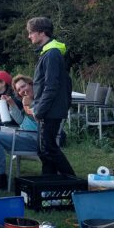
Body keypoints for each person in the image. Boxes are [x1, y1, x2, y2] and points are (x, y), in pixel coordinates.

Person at [27, 16, 76, 176]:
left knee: (49, 148)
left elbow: (51, 86)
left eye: (31, 32)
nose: (29, 36)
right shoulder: (47, 53)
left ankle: (73, 181)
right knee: (44, 150)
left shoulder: (52, 54)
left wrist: (39, 110)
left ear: (42, 33)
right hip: (49, 109)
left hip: (51, 110)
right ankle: (49, 183)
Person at [0, 74, 40, 189]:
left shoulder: (40, 100)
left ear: (31, 84)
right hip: (24, 135)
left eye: (23, 86)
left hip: (36, 139)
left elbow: (41, 121)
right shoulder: (26, 101)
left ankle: (0, 177)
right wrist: (12, 104)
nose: (22, 91)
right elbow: (21, 121)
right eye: (19, 89)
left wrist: (31, 106)